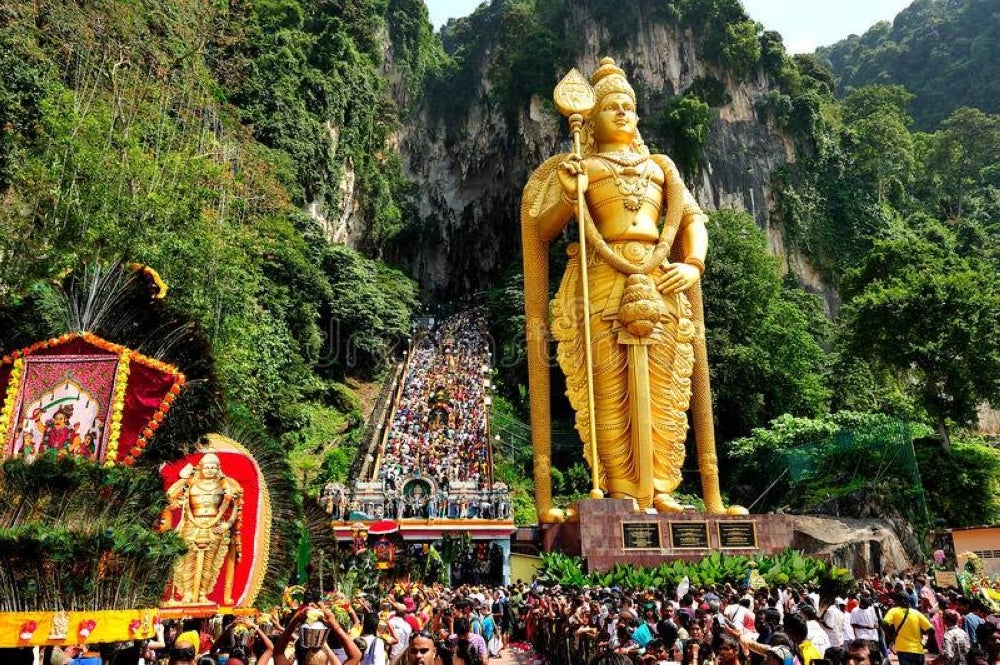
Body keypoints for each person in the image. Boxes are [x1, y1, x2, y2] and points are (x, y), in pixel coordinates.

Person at [521, 56, 741, 517]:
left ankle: (661, 487)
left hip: (660, 277)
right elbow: (540, 229)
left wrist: (695, 263)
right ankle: (620, 488)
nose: (621, 112)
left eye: (628, 105)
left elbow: (692, 219)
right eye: (611, 107)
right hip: (602, 279)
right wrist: (568, 193)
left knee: (666, 385)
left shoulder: (661, 167)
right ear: (593, 119)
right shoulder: (583, 166)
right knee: (607, 386)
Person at [883, 592, 937, 665]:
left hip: (903, 649)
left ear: (897, 601)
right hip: (918, 650)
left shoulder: (893, 611)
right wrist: (925, 644)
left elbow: (884, 623)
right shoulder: (917, 613)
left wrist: (890, 637)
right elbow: (931, 630)